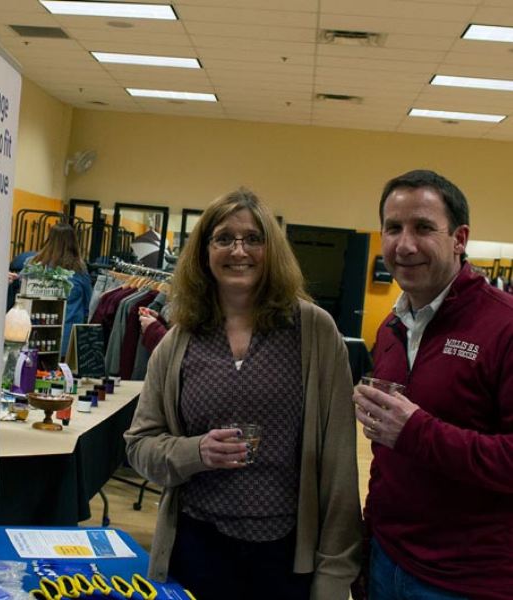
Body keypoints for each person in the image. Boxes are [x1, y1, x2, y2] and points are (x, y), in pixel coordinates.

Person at [124, 187, 362, 599]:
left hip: (286, 555)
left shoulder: (314, 332)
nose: (239, 250)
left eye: (254, 238)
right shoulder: (178, 339)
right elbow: (140, 445)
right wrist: (195, 452)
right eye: (224, 238)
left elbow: (340, 465)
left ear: (272, 251)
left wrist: (335, 575)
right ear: (204, 252)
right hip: (196, 547)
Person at [353, 170, 513, 600]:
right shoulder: (391, 327)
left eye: (423, 227)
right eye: (393, 228)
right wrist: (368, 544)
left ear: (459, 238)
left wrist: (417, 431)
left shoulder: (505, 325)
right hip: (387, 561)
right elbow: (388, 457)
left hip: (467, 580)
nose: (404, 245)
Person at [27, 223, 92, 356]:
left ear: (49, 240)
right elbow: (88, 303)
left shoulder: (33, 264)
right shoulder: (79, 269)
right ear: (74, 243)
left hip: (35, 330)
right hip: (67, 336)